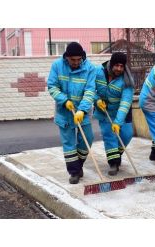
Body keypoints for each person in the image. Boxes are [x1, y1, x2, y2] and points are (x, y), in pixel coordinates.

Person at [47, 42, 96, 184]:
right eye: (72, 60)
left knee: (88, 138)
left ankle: (79, 164)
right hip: (64, 112)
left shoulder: (89, 68)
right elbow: (52, 86)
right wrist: (64, 100)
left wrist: (82, 109)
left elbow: (90, 91)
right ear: (66, 57)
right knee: (69, 143)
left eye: (78, 59)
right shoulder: (57, 66)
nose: (75, 62)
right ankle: (74, 172)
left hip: (83, 112)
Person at [93, 52, 134, 176]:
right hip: (104, 112)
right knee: (109, 135)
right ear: (111, 64)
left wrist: (117, 122)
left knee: (127, 135)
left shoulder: (127, 81)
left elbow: (125, 103)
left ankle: (116, 154)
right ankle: (113, 163)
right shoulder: (98, 72)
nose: (119, 69)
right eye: (116, 65)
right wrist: (97, 100)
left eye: (122, 66)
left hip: (122, 112)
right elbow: (89, 89)